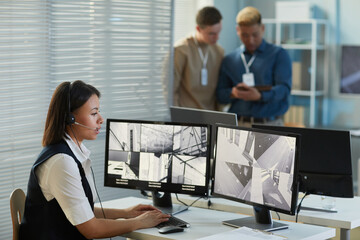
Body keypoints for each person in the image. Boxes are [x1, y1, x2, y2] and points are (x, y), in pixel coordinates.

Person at [19, 80, 170, 239]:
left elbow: (80, 210)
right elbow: (92, 229)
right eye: (93, 113)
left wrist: (127, 213)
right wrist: (140, 222)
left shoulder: (70, 152)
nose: (101, 119)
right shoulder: (61, 162)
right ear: (70, 118)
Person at [216, 6, 292, 127]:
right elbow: (220, 95)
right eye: (245, 35)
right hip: (238, 125)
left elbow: (284, 90)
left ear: (262, 28)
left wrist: (260, 96)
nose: (250, 40)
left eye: (255, 35)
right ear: (237, 30)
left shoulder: (279, 54)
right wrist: (233, 93)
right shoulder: (229, 60)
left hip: (270, 125)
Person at [173, 6, 224, 110]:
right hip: (186, 116)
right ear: (198, 29)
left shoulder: (219, 51)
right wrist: (176, 118)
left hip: (211, 117)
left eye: (218, 32)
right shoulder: (181, 50)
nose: (217, 37)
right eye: (211, 34)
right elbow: (170, 90)